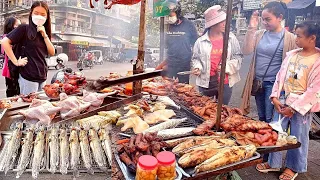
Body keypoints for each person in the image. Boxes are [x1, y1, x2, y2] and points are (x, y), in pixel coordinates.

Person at [256, 21, 320, 180]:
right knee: (277, 133)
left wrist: (294, 108)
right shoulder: (292, 55)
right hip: (283, 101)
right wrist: (275, 97)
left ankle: (294, 167)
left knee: (298, 138)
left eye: (299, 36)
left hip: (302, 107)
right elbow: (280, 77)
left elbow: (315, 90)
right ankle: (273, 162)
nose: (296, 39)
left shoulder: (318, 60)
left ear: (312, 38)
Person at [240, 1, 296, 122]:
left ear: (280, 17)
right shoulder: (260, 34)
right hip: (258, 82)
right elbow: (246, 50)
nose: (264, 23)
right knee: (261, 117)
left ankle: (270, 140)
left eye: (268, 19)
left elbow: (294, 66)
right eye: (263, 19)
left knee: (271, 118)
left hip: (274, 84)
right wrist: (251, 28)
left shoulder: (290, 38)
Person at [191, 5, 243, 105]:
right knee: (206, 109)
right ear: (213, 24)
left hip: (226, 82)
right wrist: (197, 67)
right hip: (206, 82)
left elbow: (238, 57)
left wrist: (226, 67)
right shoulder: (200, 41)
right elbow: (195, 59)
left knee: (223, 109)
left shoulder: (231, 38)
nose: (225, 24)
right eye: (221, 22)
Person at [2, 1, 55, 95]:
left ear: (47, 17)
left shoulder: (44, 32)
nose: (39, 16)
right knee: (29, 106)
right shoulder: (24, 28)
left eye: (43, 14)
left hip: (42, 77)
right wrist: (16, 61)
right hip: (28, 78)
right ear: (31, 14)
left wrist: (45, 35)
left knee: (40, 106)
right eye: (36, 13)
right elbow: (5, 42)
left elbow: (52, 52)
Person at [156, 2, 198, 84]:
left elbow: (195, 46)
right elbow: (170, 48)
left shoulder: (189, 25)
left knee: (182, 89)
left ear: (177, 12)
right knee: (167, 88)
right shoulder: (170, 26)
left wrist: (195, 65)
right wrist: (162, 65)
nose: (168, 17)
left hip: (184, 66)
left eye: (170, 15)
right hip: (170, 65)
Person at [1, 17, 21, 97]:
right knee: (12, 91)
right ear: (11, 26)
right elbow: (4, 51)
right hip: (10, 69)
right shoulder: (6, 38)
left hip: (16, 69)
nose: (20, 28)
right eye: (17, 25)